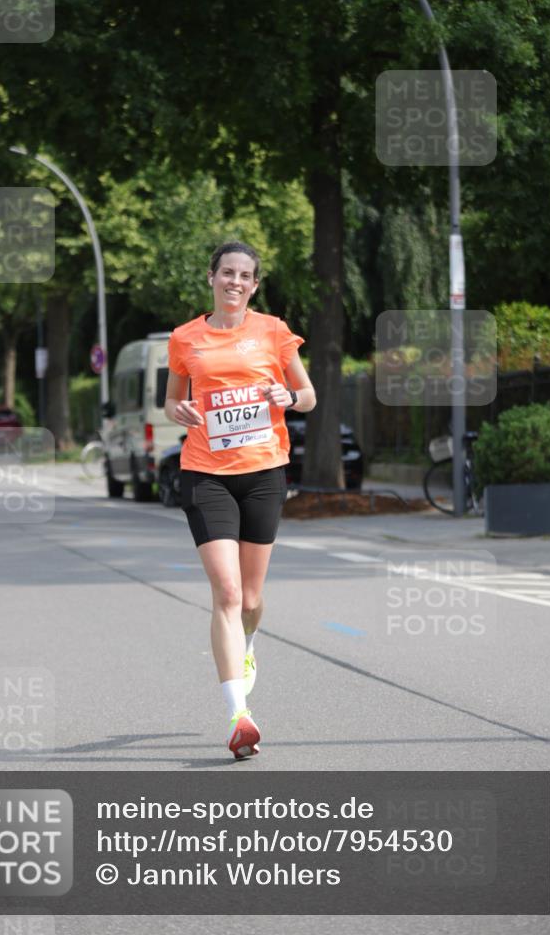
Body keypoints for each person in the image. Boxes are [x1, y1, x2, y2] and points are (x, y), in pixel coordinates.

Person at [165, 241, 316, 760]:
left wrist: (287, 397)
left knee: (251, 601)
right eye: (226, 272)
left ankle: (247, 649)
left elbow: (308, 395)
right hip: (205, 472)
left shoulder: (273, 332)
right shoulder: (186, 337)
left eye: (244, 275)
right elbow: (171, 399)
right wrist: (177, 411)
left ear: (254, 284)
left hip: (263, 473)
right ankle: (239, 716)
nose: (234, 281)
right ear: (211, 277)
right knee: (227, 593)